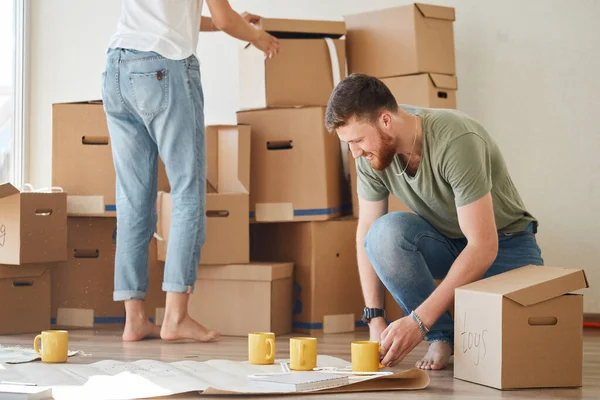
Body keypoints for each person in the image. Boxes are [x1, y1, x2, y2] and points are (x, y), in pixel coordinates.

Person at [325, 73, 544, 370]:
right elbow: (366, 232)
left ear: (386, 120)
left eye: (358, 140)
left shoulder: (456, 139)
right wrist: (375, 317)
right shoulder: (369, 156)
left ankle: (432, 326)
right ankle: (442, 336)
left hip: (505, 244)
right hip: (446, 242)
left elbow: (483, 246)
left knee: (522, 350)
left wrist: (417, 321)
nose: (356, 153)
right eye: (348, 144)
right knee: (382, 235)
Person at [101, 0, 279, 342]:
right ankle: (175, 318)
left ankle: (134, 320)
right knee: (187, 193)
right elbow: (226, 20)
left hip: (117, 67)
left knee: (133, 200)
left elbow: (171, 16)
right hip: (162, 68)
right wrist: (257, 36)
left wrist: (227, 23)